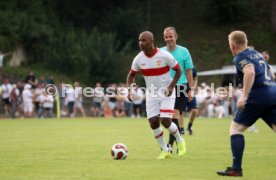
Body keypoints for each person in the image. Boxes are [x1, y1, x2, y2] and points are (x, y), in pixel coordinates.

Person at [217, 30, 276, 177]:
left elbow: (250, 72)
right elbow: (271, 73)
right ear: (246, 41)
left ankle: (236, 169)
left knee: (236, 129)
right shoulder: (257, 54)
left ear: (232, 45)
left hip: (258, 95)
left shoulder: (240, 57)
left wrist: (244, 96)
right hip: (272, 91)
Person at [127, 31, 186, 159]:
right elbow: (131, 75)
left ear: (151, 41)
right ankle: (165, 150)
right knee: (153, 122)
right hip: (151, 93)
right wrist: (130, 90)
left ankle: (180, 141)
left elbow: (178, 70)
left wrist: (171, 86)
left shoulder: (164, 55)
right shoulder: (138, 59)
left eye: (144, 40)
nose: (141, 43)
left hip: (166, 92)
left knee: (165, 121)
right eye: (139, 40)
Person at [161, 27, 193, 151]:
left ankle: (170, 144)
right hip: (165, 88)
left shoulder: (184, 51)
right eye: (166, 37)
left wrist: (190, 89)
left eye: (170, 36)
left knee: (174, 114)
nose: (168, 39)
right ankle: (179, 141)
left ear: (176, 37)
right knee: (166, 118)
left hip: (180, 86)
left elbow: (189, 71)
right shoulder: (161, 52)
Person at [183, 67, 198, 135]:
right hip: (181, 91)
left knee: (194, 110)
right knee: (181, 111)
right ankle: (181, 129)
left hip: (190, 91)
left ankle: (189, 126)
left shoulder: (193, 68)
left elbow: (195, 79)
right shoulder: (179, 66)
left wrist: (193, 87)